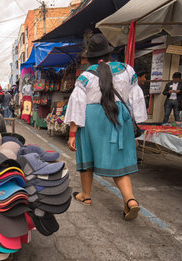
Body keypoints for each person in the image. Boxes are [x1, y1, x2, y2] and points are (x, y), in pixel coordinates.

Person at [65, 33, 147, 221]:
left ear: (90, 57)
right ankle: (130, 200)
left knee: (86, 155)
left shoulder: (85, 77)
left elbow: (77, 107)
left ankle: (86, 196)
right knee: (119, 161)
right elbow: (136, 97)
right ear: (110, 53)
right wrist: (137, 118)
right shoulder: (128, 70)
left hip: (93, 119)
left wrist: (72, 133)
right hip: (119, 118)